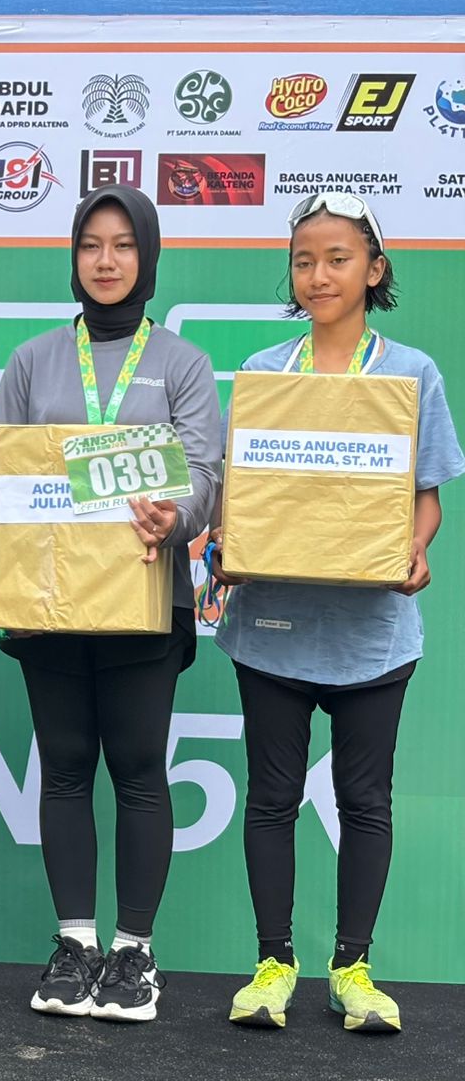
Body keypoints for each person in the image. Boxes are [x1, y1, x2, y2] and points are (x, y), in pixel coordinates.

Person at [212, 193, 463, 1033]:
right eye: (303, 261)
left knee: (366, 803)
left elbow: (425, 499)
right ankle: (272, 966)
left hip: (372, 637)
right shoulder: (265, 371)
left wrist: (416, 548)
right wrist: (226, 540)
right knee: (271, 799)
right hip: (272, 630)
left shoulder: (412, 372)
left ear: (374, 269)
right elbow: (242, 494)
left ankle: (353, 968)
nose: (318, 275)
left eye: (337, 259)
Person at [0, 184, 221, 1022]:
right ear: (74, 258)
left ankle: (134, 953)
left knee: (139, 767)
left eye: (123, 245)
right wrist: (0, 574)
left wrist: (175, 515)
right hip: (49, 604)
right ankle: (75, 943)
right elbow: (7, 482)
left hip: (143, 597)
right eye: (91, 245)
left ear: (146, 256)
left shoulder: (182, 363)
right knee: (65, 764)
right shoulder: (32, 360)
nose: (106, 261)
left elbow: (205, 473)